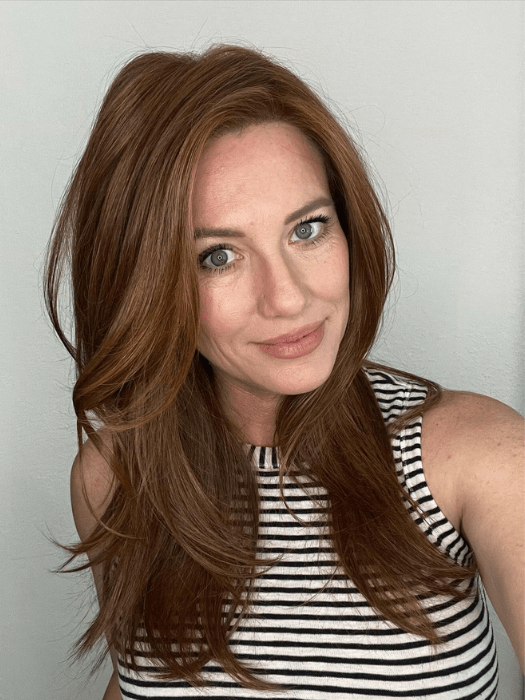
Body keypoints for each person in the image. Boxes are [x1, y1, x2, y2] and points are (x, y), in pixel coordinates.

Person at [43, 44, 523, 700]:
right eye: (218, 256)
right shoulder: (113, 475)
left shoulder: (476, 457)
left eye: (307, 229)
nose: (288, 298)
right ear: (144, 281)